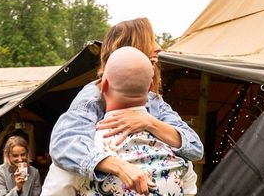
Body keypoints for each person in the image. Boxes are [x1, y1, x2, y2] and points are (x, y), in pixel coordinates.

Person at [47, 17, 203, 194]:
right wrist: (120, 166)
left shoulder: (154, 101)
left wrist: (148, 122)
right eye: (151, 40)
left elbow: (195, 148)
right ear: (130, 48)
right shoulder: (92, 98)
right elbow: (64, 144)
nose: (159, 47)